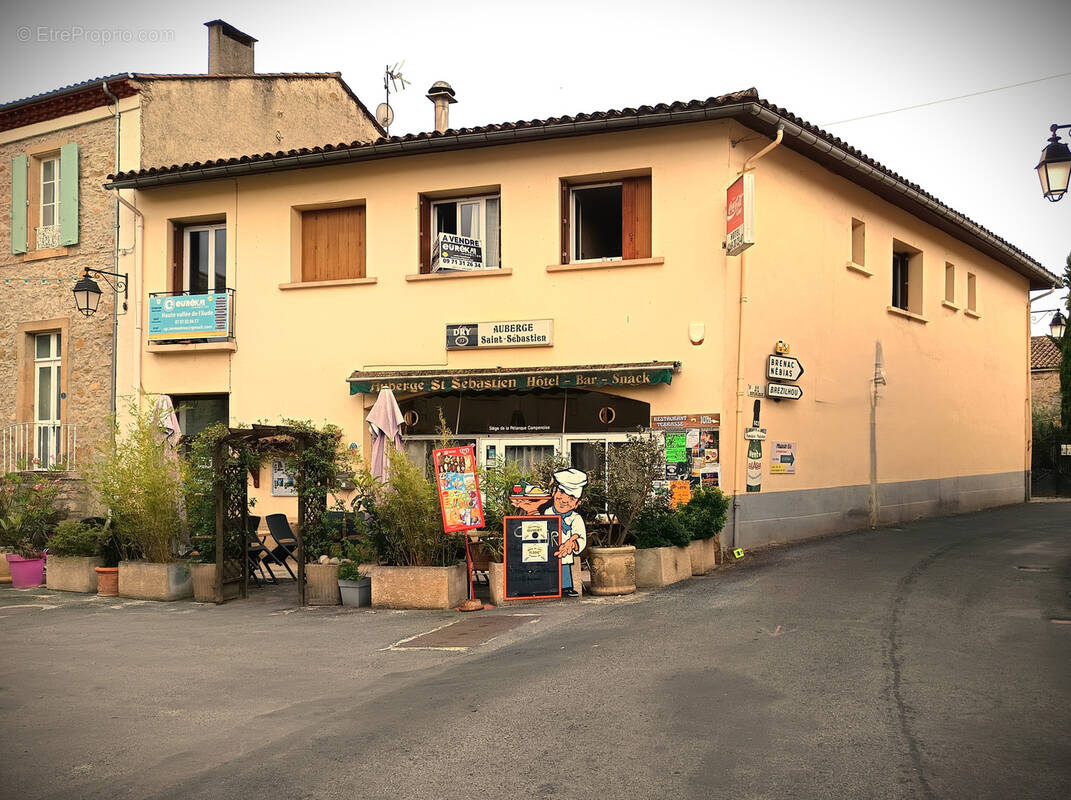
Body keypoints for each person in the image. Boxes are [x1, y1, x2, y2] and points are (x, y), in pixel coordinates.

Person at [540, 468, 588, 597]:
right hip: (547, 550)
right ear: (554, 492)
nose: (565, 500)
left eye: (571, 498)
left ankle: (566, 587)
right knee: (547, 567)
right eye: (561, 492)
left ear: (578, 503)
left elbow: (580, 535)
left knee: (564, 567)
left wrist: (572, 544)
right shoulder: (546, 512)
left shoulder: (575, 518)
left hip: (565, 553)